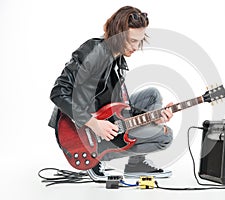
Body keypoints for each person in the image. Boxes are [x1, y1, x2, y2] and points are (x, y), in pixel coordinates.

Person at [48, 6, 174, 180]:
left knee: (152, 95)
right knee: (164, 137)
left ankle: (136, 163)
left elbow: (123, 109)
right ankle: (97, 156)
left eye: (139, 40)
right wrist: (94, 123)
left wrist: (154, 116)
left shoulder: (118, 60)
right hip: (77, 129)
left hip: (104, 115)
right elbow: (58, 92)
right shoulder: (93, 52)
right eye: (131, 40)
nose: (136, 47)